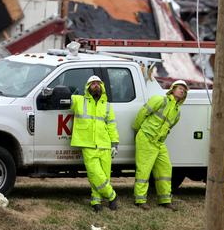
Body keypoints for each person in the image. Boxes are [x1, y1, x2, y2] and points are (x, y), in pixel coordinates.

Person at [132, 80, 188, 211]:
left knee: (165, 169)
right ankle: (140, 200)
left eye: (184, 90)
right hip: (146, 137)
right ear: (172, 89)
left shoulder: (177, 112)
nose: (182, 91)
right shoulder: (159, 100)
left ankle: (165, 200)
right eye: (180, 88)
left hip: (159, 143)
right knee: (144, 169)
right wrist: (136, 130)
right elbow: (142, 113)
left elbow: (169, 127)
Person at [70, 75, 119, 212]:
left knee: (104, 175)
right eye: (93, 84)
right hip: (88, 145)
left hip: (105, 144)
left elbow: (112, 126)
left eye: (98, 83)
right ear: (88, 87)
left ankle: (96, 202)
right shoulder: (79, 101)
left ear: (102, 87)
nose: (96, 85)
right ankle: (112, 195)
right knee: (95, 174)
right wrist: (51, 91)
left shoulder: (107, 106)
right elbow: (66, 98)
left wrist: (114, 143)